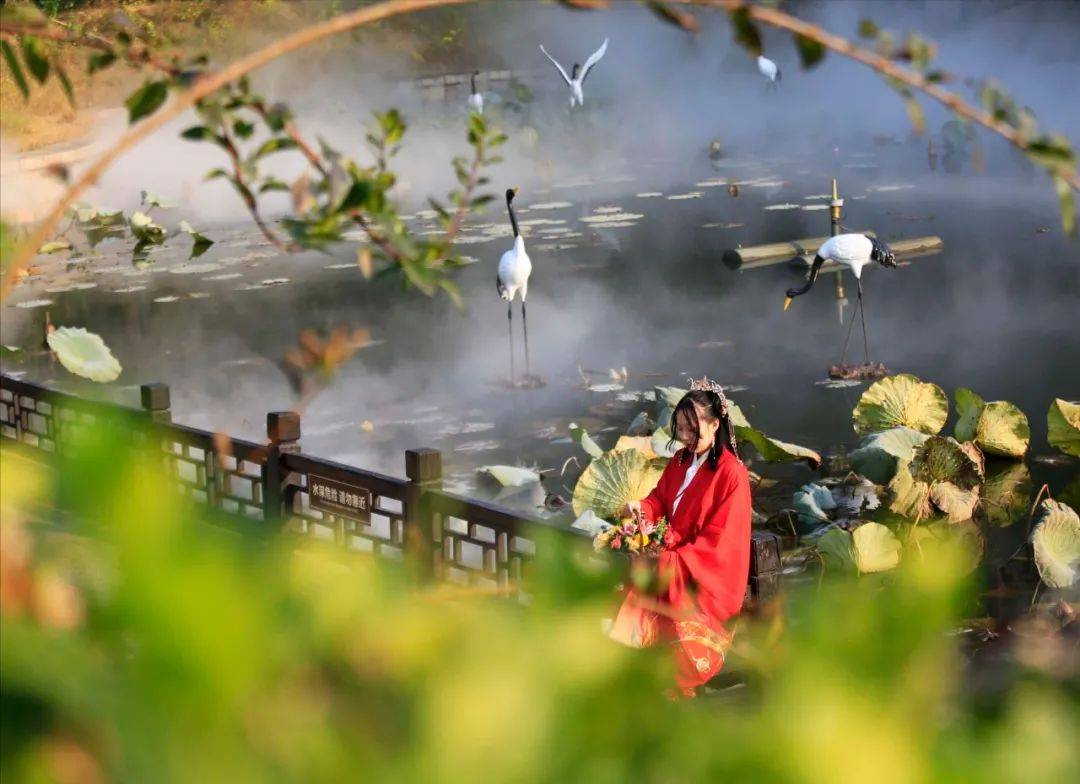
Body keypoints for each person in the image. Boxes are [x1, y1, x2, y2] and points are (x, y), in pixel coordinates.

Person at [609, 377, 752, 696]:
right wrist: (640, 510)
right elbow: (659, 500)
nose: (685, 436)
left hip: (701, 586)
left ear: (715, 425)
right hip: (671, 566)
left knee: (666, 654)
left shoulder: (733, 475)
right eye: (681, 428)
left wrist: (669, 560)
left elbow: (721, 544)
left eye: (692, 428)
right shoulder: (681, 461)